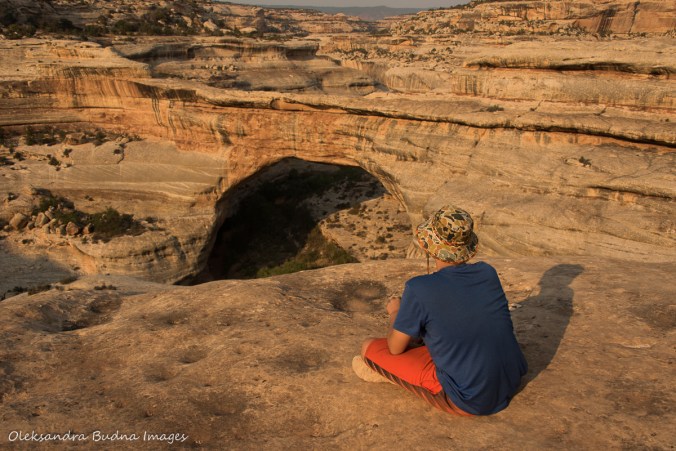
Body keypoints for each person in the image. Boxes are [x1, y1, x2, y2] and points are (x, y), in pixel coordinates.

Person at [352, 205, 527, 416]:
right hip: (511, 379)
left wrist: (395, 312)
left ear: (429, 246)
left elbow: (395, 348)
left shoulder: (419, 288)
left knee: (368, 347)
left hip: (471, 398)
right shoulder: (488, 273)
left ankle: (387, 374)